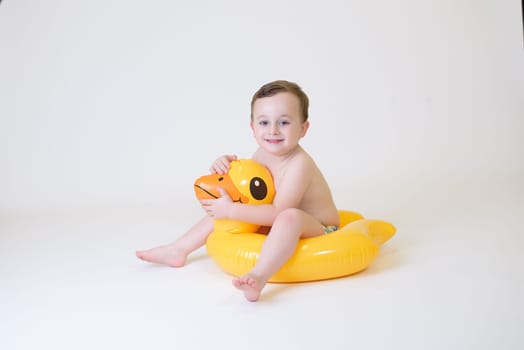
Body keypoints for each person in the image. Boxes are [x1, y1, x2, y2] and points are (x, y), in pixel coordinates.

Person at [136, 80, 340, 301]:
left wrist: (232, 211)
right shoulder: (262, 153)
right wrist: (224, 166)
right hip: (277, 222)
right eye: (264, 122)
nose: (273, 130)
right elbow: (252, 194)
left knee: (288, 216)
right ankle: (177, 249)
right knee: (228, 204)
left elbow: (278, 211)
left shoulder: (299, 164)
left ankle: (258, 276)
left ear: (303, 128)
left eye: (284, 122)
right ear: (253, 128)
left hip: (320, 228)